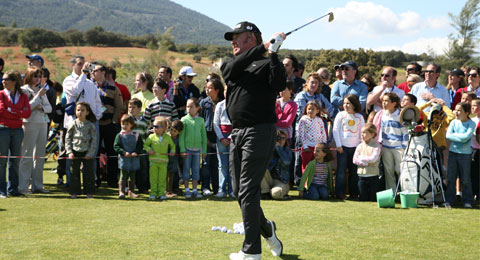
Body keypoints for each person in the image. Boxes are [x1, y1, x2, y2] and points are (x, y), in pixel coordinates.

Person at [221, 21, 285, 259]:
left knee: (248, 190)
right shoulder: (232, 65)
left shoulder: (268, 62)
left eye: (238, 36)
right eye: (232, 37)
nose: (233, 41)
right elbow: (227, 71)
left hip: (260, 131)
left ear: (252, 37)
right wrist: (262, 48)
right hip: (237, 133)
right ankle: (267, 229)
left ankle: (251, 251)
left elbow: (278, 84)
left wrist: (274, 54)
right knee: (239, 191)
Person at [62, 56, 103, 188]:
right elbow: (75, 91)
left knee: (91, 152)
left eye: (84, 65)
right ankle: (71, 182)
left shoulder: (90, 83)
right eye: (79, 64)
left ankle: (90, 182)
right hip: (74, 123)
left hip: (90, 123)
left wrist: (97, 115)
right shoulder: (68, 80)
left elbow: (97, 101)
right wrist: (84, 75)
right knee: (73, 154)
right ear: (72, 65)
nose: (82, 67)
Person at [18, 67, 52, 194]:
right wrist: (37, 98)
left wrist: (40, 107)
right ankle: (23, 186)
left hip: (43, 122)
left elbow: (49, 108)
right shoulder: (24, 90)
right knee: (27, 154)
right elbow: (28, 107)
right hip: (29, 123)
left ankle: (37, 185)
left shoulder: (40, 89)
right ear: (29, 76)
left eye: (39, 76)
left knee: (40, 155)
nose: (38, 79)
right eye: (35, 76)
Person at [92, 63, 125, 188]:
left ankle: (112, 180)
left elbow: (120, 106)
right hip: (95, 124)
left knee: (112, 153)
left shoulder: (114, 89)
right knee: (95, 152)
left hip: (109, 125)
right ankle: (95, 179)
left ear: (103, 72)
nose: (93, 73)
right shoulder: (91, 87)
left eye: (95, 71)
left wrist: (114, 121)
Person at [0, 71, 32, 198]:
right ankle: (1, 190)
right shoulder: (1, 94)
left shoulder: (23, 96)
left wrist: (11, 110)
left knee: (15, 161)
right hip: (3, 130)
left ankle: (13, 189)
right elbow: (1, 110)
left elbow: (27, 113)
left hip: (18, 130)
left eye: (6, 79)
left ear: (14, 81)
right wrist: (18, 112)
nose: (3, 81)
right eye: (3, 79)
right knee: (2, 161)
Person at [332, 94, 365, 200]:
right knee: (341, 171)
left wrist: (361, 147)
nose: (345, 105)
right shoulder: (340, 115)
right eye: (344, 103)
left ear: (354, 104)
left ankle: (353, 193)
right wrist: (338, 145)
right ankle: (340, 193)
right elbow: (335, 130)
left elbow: (362, 132)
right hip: (343, 148)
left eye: (348, 103)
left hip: (355, 148)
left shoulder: (359, 117)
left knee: (354, 172)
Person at [445, 102, 476, 208]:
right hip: (453, 153)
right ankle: (449, 200)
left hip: (465, 155)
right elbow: (448, 135)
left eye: (459, 110)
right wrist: (459, 137)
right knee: (451, 178)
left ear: (466, 113)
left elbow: (466, 137)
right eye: (455, 110)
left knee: (466, 179)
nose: (456, 112)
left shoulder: (471, 124)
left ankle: (468, 201)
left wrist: (456, 135)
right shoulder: (453, 122)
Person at [376, 92, 408, 191]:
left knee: (400, 170)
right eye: (383, 101)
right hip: (386, 146)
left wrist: (403, 146)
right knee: (388, 171)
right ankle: (392, 194)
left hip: (398, 147)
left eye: (386, 101)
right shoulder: (383, 114)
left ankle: (404, 192)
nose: (384, 103)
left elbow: (405, 132)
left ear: (394, 103)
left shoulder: (400, 115)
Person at [65, 102, 97, 199]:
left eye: (82, 110)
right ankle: (75, 192)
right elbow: (68, 138)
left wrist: (90, 153)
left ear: (87, 112)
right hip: (75, 151)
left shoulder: (91, 125)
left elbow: (94, 140)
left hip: (87, 152)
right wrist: (69, 152)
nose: (80, 112)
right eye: (78, 110)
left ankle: (89, 191)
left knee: (88, 173)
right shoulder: (73, 124)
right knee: (74, 173)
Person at [200, 78, 224, 196]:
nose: (207, 90)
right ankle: (205, 187)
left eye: (210, 88)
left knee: (217, 164)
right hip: (207, 135)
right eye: (206, 87)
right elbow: (201, 120)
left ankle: (217, 188)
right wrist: (206, 139)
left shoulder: (224, 102)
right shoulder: (204, 103)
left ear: (217, 90)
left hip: (220, 135)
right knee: (206, 162)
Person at [179, 98, 207, 199]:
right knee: (186, 169)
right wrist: (182, 150)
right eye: (187, 106)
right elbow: (181, 137)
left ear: (197, 108)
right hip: (187, 149)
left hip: (197, 150)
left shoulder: (201, 120)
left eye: (191, 107)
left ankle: (195, 189)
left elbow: (204, 136)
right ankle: (187, 189)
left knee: (196, 169)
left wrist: (204, 151)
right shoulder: (184, 120)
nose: (189, 109)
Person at [144, 116, 175, 200]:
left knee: (162, 179)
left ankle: (161, 193)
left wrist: (172, 151)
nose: (154, 128)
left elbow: (173, 146)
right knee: (153, 178)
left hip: (163, 162)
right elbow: (145, 145)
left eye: (156, 127)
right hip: (153, 162)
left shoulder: (168, 138)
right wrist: (149, 149)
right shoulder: (151, 137)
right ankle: (153, 193)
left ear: (164, 128)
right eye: (153, 126)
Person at [114, 114, 143, 199]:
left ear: (131, 124)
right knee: (123, 175)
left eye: (127, 124)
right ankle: (121, 191)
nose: (124, 126)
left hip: (134, 158)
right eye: (123, 124)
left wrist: (136, 152)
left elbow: (140, 145)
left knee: (132, 175)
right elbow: (116, 146)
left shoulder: (136, 134)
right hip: (124, 159)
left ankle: (131, 191)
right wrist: (123, 152)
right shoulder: (119, 135)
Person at [213, 85, 233, 198]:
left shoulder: (236, 104)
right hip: (221, 136)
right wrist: (221, 137)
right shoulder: (220, 105)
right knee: (222, 165)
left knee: (232, 164)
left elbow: (237, 122)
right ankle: (221, 189)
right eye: (226, 90)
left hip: (232, 136)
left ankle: (232, 189)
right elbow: (216, 123)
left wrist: (230, 137)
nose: (227, 92)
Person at [353, 123, 381, 202]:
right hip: (362, 176)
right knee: (363, 198)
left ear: (372, 134)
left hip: (373, 176)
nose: (362, 135)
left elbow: (373, 159)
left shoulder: (376, 146)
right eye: (361, 132)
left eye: (364, 133)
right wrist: (366, 163)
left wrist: (361, 158)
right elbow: (354, 160)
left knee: (373, 199)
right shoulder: (360, 146)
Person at [297, 100, 328, 173]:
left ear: (317, 110)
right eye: (309, 109)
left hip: (318, 147)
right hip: (307, 147)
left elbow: (323, 132)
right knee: (307, 166)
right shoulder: (303, 120)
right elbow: (301, 134)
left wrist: (324, 144)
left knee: (317, 166)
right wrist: (305, 146)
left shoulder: (319, 120)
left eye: (313, 109)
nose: (310, 111)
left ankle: (315, 182)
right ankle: (306, 183)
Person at [260, 130, 291, 200]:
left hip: (281, 181)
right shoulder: (268, 150)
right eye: (279, 138)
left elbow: (286, 162)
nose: (281, 140)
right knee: (260, 167)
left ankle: (273, 193)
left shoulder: (287, 150)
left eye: (283, 138)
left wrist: (278, 148)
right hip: (269, 180)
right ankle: (265, 193)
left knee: (275, 194)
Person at [128, 98, 150, 194]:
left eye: (133, 107)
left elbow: (146, 135)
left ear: (140, 109)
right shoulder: (128, 120)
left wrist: (147, 147)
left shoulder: (144, 121)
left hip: (142, 149)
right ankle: (131, 188)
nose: (131, 109)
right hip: (131, 148)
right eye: (129, 107)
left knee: (143, 169)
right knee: (131, 170)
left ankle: (143, 187)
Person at [167, 120, 184, 196]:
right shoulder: (167, 137)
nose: (172, 132)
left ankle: (173, 189)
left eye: (175, 131)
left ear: (179, 132)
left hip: (174, 160)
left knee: (173, 175)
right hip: (166, 159)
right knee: (166, 175)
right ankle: (167, 190)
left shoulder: (178, 139)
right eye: (171, 129)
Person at [470, 98, 480, 201]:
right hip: (473, 150)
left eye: (475, 106)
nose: (472, 108)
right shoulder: (472, 120)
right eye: (471, 106)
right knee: (474, 174)